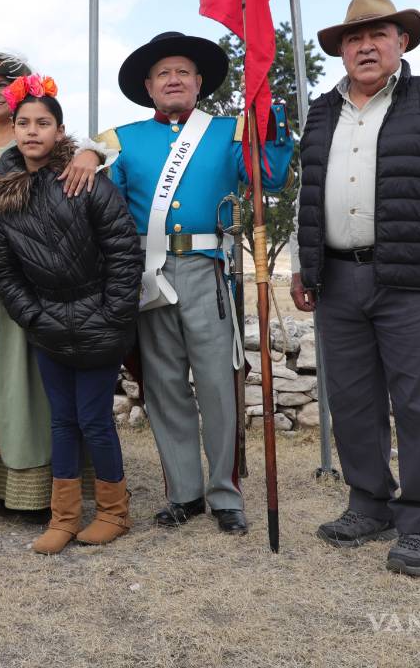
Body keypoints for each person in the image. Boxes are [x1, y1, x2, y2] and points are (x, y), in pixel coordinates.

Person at [292, 0, 420, 576]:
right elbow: (309, 193)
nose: (365, 47)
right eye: (353, 39)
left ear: (401, 42)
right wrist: (304, 265)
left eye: (378, 35)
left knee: (418, 405)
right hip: (337, 278)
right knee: (351, 401)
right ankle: (369, 503)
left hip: (412, 280)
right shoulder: (321, 112)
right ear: (341, 51)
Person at [107, 31, 293, 534]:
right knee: (164, 387)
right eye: (163, 73)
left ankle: (225, 495)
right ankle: (184, 494)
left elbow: (271, 177)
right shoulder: (121, 141)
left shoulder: (229, 132)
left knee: (217, 386)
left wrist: (272, 122)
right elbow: (101, 206)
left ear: (198, 83)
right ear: (149, 87)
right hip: (148, 275)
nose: (173, 79)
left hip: (208, 271)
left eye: (183, 72)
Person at [0, 75, 142, 554]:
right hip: (47, 322)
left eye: (43, 123)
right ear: (13, 128)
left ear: (58, 130)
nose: (33, 131)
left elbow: (123, 251)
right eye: (24, 123)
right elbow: (3, 269)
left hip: (99, 318)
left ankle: (114, 512)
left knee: (94, 418)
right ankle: (64, 518)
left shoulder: (86, 180)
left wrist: (113, 314)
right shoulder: (3, 196)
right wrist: (33, 317)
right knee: (62, 420)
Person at [0, 50, 112, 516]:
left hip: (37, 275)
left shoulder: (46, 145)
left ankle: (45, 489)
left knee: (37, 386)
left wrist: (89, 152)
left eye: (2, 85)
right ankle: (1, 486)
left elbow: (97, 153)